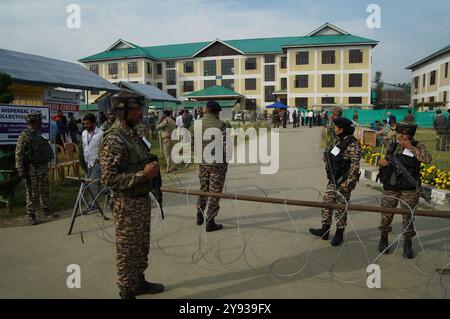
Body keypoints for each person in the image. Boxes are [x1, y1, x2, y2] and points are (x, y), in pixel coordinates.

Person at [99, 91, 164, 299]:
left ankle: (138, 281)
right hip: (126, 204)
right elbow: (109, 179)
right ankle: (126, 290)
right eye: (137, 109)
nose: (140, 113)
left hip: (141, 200)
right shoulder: (114, 139)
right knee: (127, 250)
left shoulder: (134, 133)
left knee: (141, 246)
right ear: (123, 111)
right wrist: (142, 175)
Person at [377, 122, 432, 259]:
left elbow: (427, 159)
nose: (401, 136)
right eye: (400, 133)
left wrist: (410, 148)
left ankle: (408, 244)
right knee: (386, 215)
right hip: (391, 187)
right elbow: (384, 160)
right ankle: (383, 238)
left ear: (410, 135)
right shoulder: (393, 145)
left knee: (408, 217)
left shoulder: (418, 146)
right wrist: (381, 162)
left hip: (409, 189)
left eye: (404, 134)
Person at [309, 117, 361, 246]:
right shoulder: (340, 142)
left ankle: (339, 233)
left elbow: (355, 166)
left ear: (342, 129)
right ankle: (325, 230)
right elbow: (331, 156)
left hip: (344, 182)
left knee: (340, 207)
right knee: (327, 202)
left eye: (336, 127)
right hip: (333, 180)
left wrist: (347, 183)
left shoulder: (353, 144)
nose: (334, 129)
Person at [15, 112, 58, 225]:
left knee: (45, 188)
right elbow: (19, 153)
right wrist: (20, 169)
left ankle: (46, 210)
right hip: (31, 168)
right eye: (39, 122)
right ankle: (31, 214)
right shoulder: (25, 135)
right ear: (34, 122)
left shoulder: (39, 134)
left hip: (42, 166)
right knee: (32, 191)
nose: (41, 124)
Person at [193, 101, 229, 232]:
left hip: (202, 163)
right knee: (214, 192)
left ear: (206, 110)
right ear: (217, 112)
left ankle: (199, 215)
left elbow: (192, 143)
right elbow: (226, 147)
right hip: (217, 164)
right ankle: (210, 221)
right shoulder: (221, 124)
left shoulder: (197, 123)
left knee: (203, 189)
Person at [80, 113, 104, 210]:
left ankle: (92, 204)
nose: (86, 126)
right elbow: (84, 146)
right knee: (93, 182)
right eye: (84, 124)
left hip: (97, 161)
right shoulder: (84, 133)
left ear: (94, 123)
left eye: (88, 124)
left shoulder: (101, 133)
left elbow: (103, 148)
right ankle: (110, 192)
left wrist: (99, 160)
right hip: (88, 161)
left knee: (93, 182)